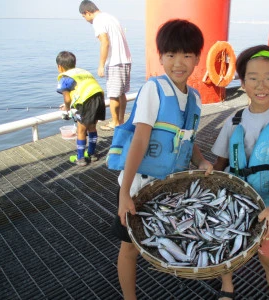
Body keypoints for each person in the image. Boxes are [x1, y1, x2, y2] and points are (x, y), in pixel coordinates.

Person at [107, 19, 213, 299]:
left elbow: (187, 139)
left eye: (187, 55)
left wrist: (201, 161)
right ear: (161, 57)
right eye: (171, 55)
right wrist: (124, 194)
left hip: (168, 189)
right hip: (138, 184)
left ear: (197, 58)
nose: (179, 63)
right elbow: (140, 140)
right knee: (129, 247)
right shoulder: (155, 89)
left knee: (161, 239)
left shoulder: (195, 98)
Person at [211, 45, 269, 300]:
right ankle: (227, 287)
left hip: (267, 206)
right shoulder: (234, 119)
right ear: (242, 82)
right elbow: (220, 162)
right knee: (226, 248)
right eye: (253, 78)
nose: (261, 85)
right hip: (231, 202)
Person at [79, 0, 132, 130]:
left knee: (113, 94)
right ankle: (120, 121)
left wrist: (101, 65)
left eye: (84, 16)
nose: (85, 19)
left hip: (115, 62)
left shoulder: (98, 21)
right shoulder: (110, 17)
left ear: (87, 12)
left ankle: (115, 122)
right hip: (126, 59)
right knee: (122, 93)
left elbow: (105, 42)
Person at [56, 51, 106, 166]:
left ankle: (81, 158)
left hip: (86, 102)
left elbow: (67, 98)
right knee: (92, 126)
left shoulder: (65, 77)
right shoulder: (82, 72)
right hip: (98, 97)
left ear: (60, 67)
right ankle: (92, 154)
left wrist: (67, 109)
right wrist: (70, 105)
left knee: (81, 129)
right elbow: (81, 91)